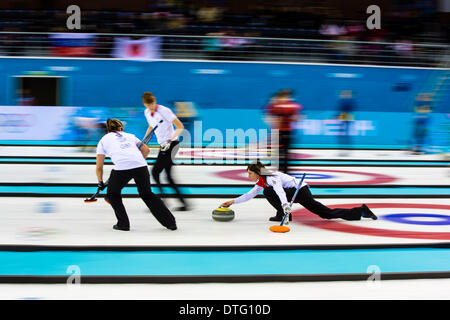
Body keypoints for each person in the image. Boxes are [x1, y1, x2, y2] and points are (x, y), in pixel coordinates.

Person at [220, 161, 377, 222]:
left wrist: (285, 206)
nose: (248, 175)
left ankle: (361, 211)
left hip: (300, 191)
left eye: (250, 173)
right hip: (291, 192)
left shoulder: (272, 177)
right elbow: (250, 194)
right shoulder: (262, 180)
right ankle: (283, 214)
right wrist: (233, 201)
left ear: (257, 172)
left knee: (325, 214)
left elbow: (280, 191)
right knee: (266, 192)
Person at [96, 118, 177, 231]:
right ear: (121, 128)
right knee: (147, 194)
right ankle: (170, 223)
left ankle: (123, 224)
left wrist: (100, 182)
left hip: (121, 168)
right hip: (140, 166)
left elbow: (99, 166)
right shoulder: (130, 135)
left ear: (109, 130)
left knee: (112, 195)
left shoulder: (103, 140)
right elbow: (146, 150)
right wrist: (138, 160)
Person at [142, 92, 190, 211]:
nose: (151, 107)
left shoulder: (164, 110)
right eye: (148, 105)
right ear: (145, 104)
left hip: (172, 144)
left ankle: (162, 202)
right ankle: (184, 203)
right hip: (163, 145)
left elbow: (180, 126)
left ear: (155, 100)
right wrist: (143, 142)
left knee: (155, 172)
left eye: (152, 104)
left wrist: (169, 140)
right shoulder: (147, 112)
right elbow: (151, 126)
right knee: (168, 176)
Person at [264, 89, 302, 174]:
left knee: (283, 153)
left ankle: (283, 171)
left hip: (283, 132)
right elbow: (297, 118)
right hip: (282, 132)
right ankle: (282, 171)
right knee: (281, 153)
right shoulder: (290, 106)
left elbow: (269, 119)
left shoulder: (275, 106)